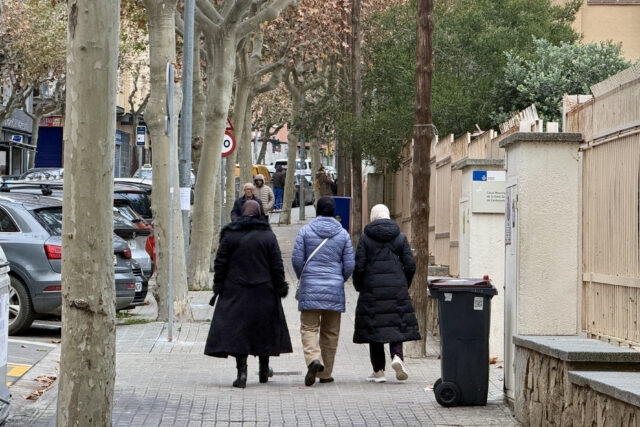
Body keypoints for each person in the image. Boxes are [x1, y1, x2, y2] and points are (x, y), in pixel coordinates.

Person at [204, 200, 292, 388]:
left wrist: (218, 285)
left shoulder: (230, 235)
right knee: (264, 330)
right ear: (260, 214)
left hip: (236, 291)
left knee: (239, 332)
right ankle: (264, 370)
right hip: (264, 291)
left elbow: (220, 263)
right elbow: (277, 265)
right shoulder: (268, 236)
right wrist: (280, 286)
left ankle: (242, 373)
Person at [352, 204, 420, 383]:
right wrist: (404, 284)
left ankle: (378, 371)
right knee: (396, 323)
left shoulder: (366, 239)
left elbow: (359, 267)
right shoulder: (400, 237)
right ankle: (397, 357)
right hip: (396, 288)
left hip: (372, 289)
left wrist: (359, 286)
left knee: (374, 328)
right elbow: (410, 265)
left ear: (373, 217)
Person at [292, 196, 355, 386]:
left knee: (309, 327)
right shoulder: (343, 234)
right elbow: (349, 264)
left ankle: (313, 359)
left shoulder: (305, 231)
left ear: (317, 210)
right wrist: (339, 279)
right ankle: (325, 373)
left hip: (311, 287)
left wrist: (304, 277)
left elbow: (297, 259)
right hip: (334, 289)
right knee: (330, 332)